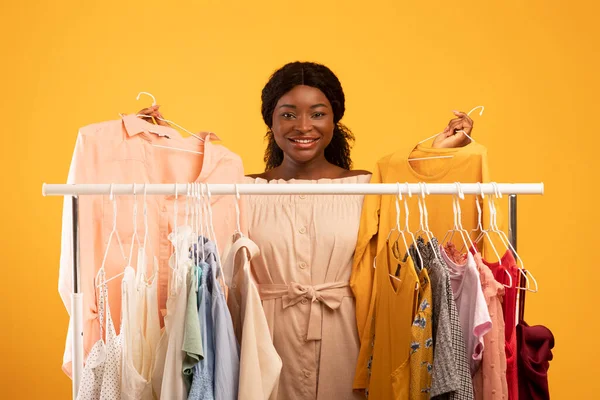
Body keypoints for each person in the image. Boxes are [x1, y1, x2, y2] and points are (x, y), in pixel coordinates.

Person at [138, 61, 474, 399]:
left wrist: (441, 151)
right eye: (287, 114)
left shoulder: (367, 188)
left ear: (334, 119)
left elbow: (417, 196)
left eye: (317, 114)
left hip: (347, 340)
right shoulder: (240, 189)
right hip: (263, 339)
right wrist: (154, 139)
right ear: (270, 120)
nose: (303, 126)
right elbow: (181, 200)